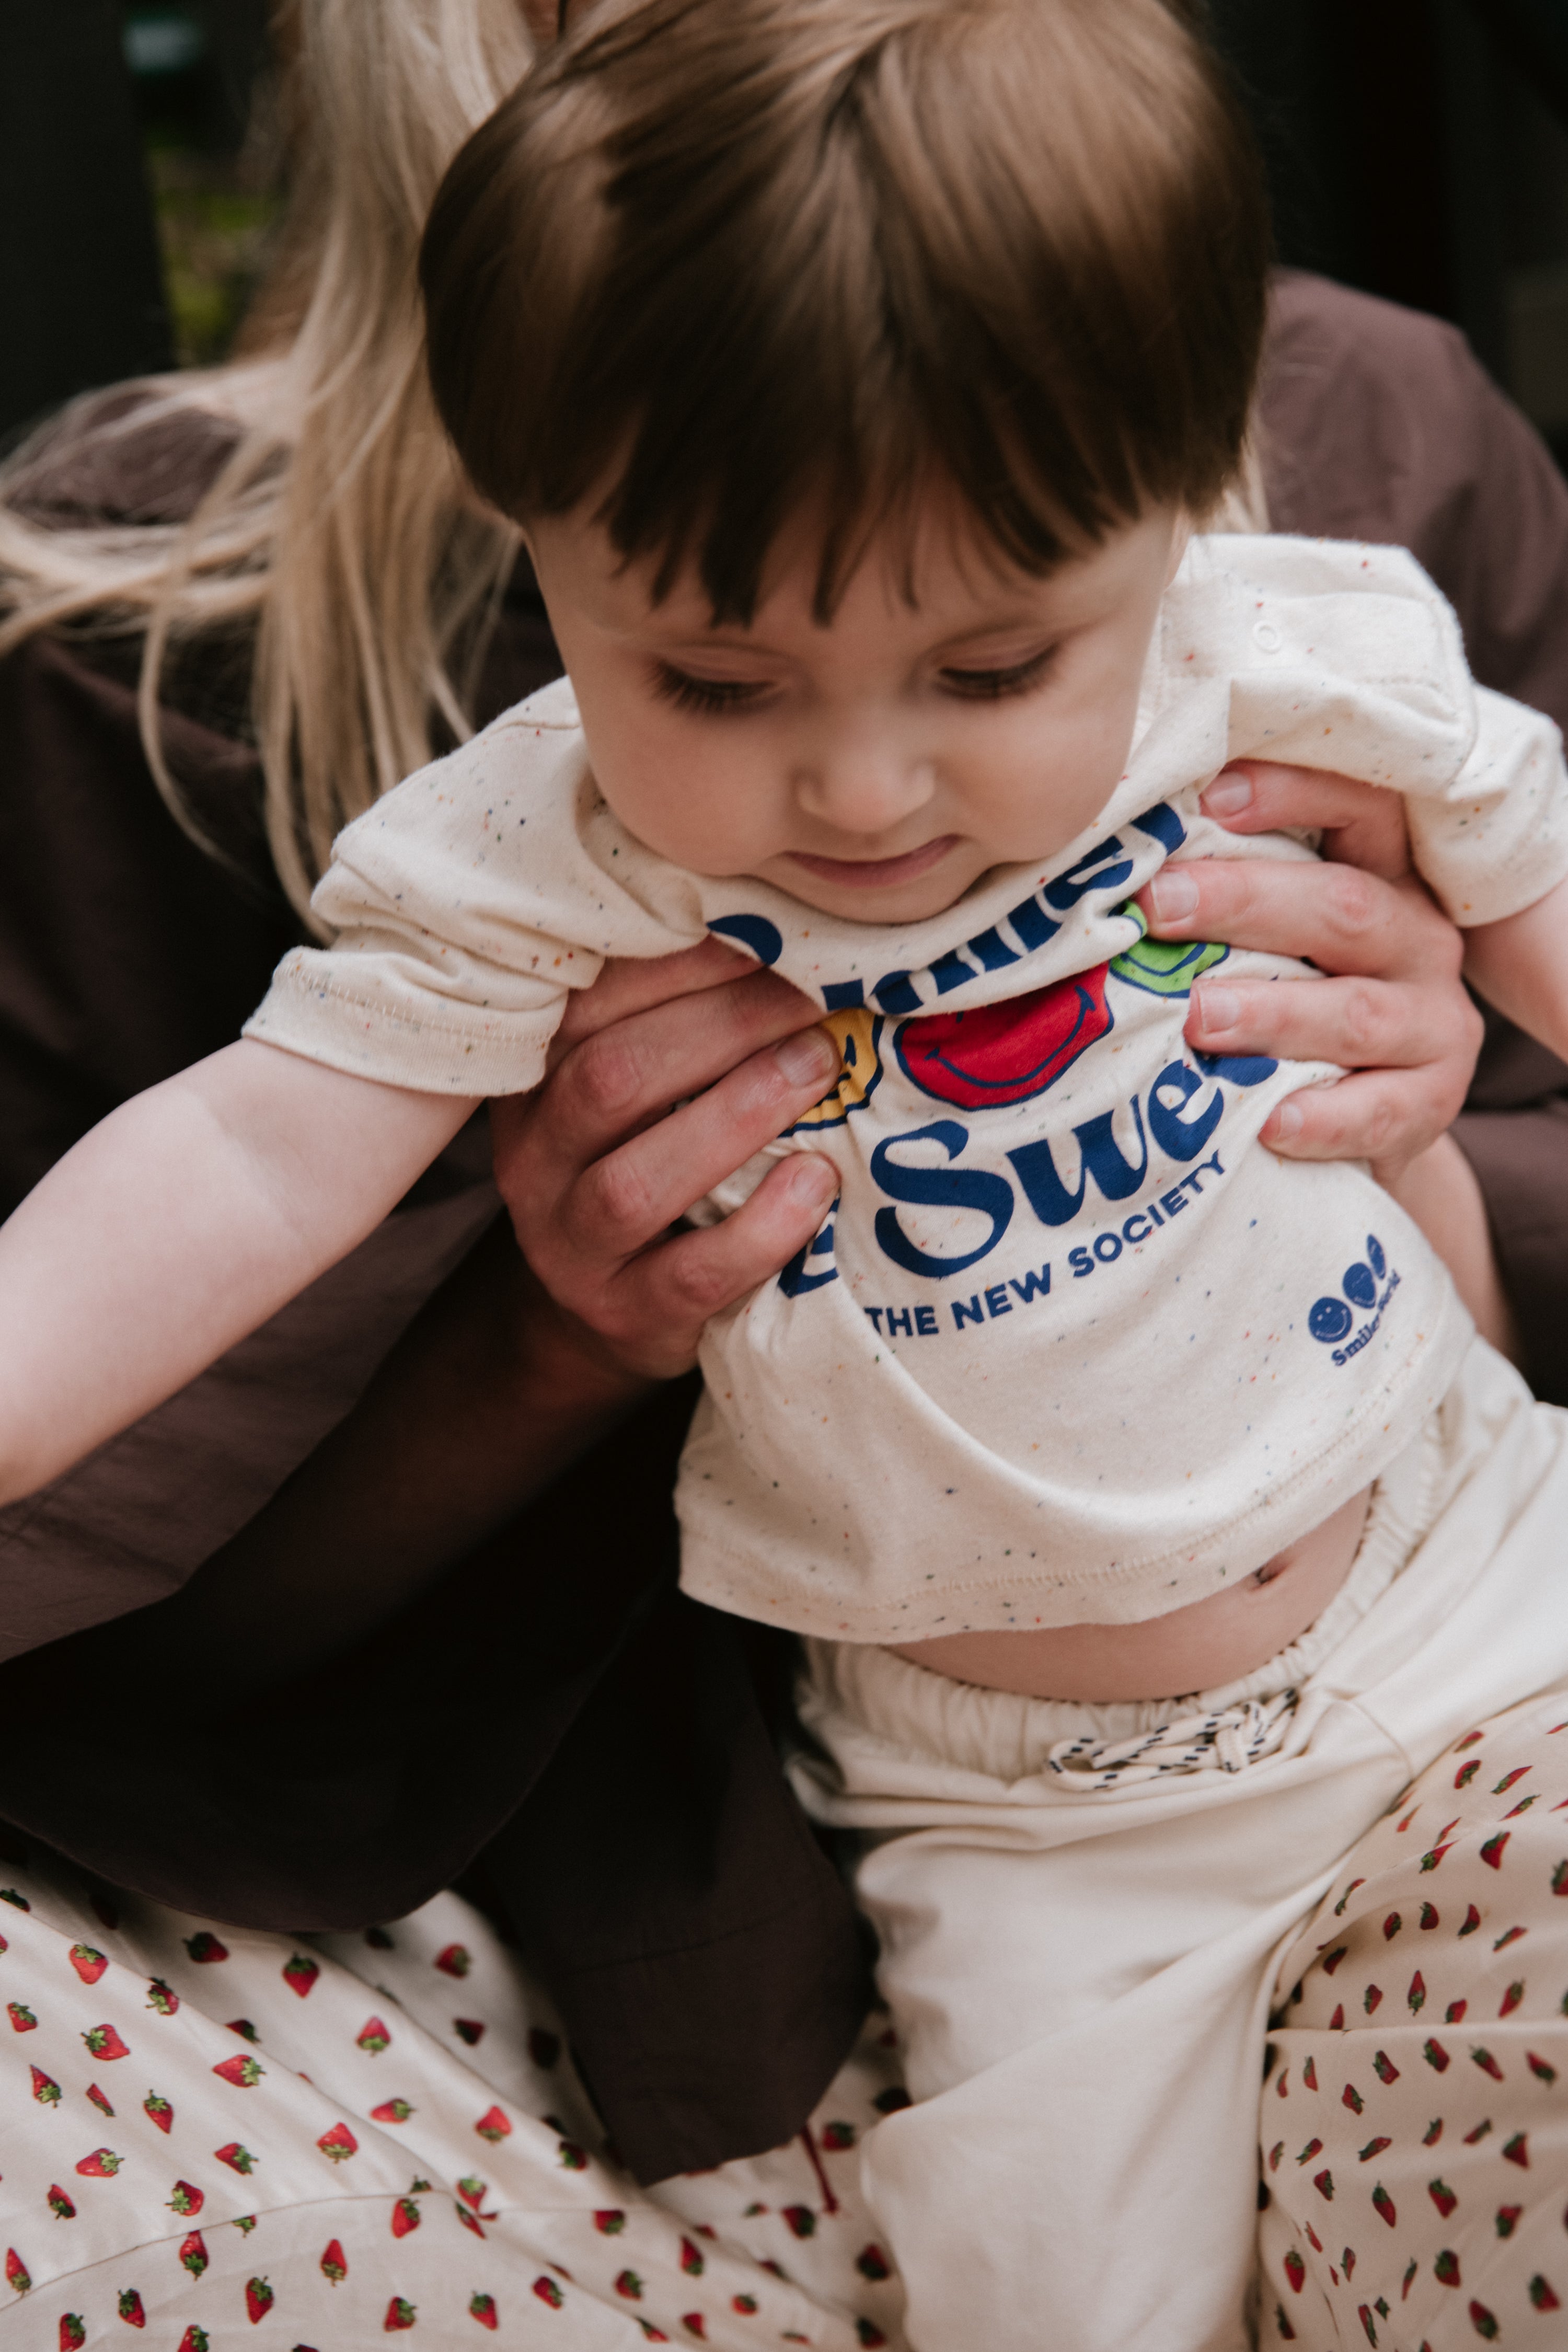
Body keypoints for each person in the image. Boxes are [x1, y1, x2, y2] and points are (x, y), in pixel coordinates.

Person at [3, 3, 1568, 2348]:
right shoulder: (533, 847)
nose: (860, 788)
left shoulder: (1290, 650)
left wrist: (1456, 1058)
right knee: (1060, 2299)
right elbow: (238, 1155)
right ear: (543, 549)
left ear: (1175, 494)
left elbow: (1542, 884)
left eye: (994, 665)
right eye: (719, 684)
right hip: (1022, 1808)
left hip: (1473, 1576)